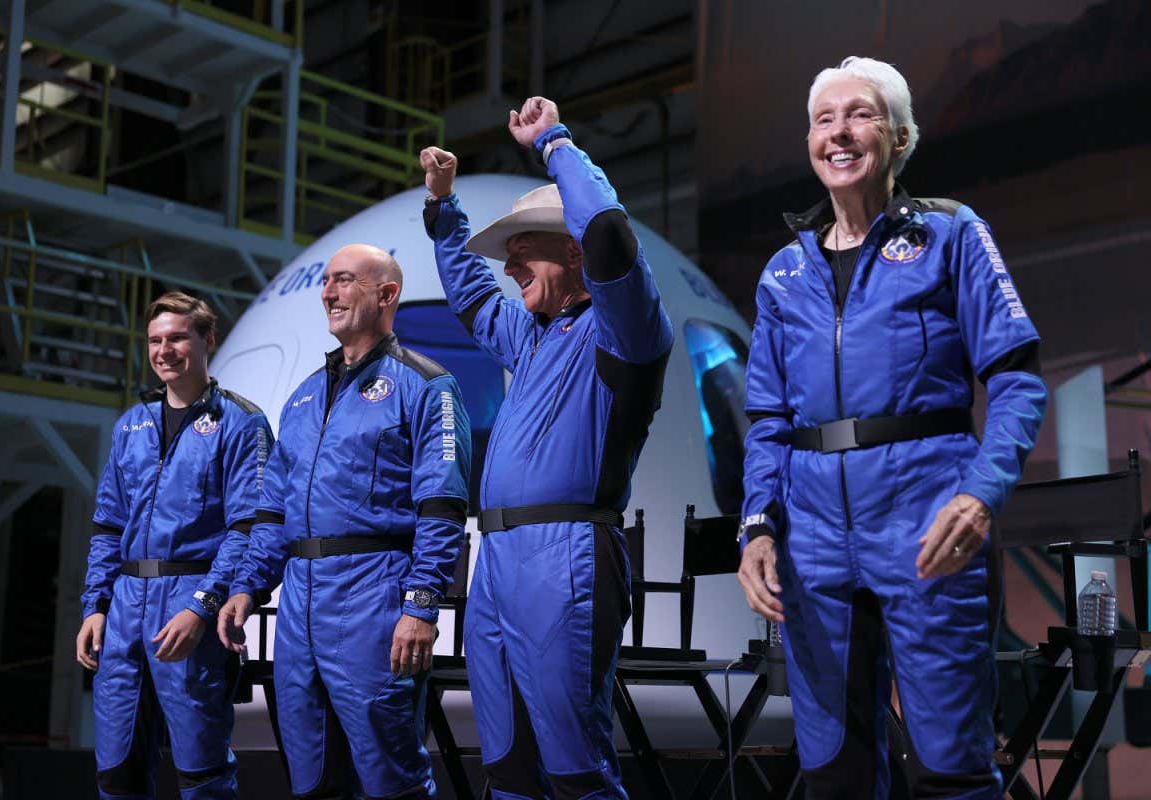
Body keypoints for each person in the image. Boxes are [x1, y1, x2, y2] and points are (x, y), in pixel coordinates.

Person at [735, 57, 1047, 799]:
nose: (839, 132)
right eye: (823, 118)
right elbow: (768, 421)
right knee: (832, 771)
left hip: (927, 524)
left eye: (860, 114)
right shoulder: (784, 273)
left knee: (951, 768)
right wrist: (756, 527)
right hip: (812, 543)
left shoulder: (952, 234)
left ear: (901, 137)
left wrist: (980, 496)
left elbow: (1016, 382)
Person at [419, 96, 673, 799]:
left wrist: (554, 142)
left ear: (571, 249)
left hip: (567, 560)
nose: (506, 268)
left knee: (572, 768)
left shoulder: (625, 328)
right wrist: (443, 212)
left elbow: (613, 238)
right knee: (509, 769)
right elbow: (471, 298)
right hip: (499, 564)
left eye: (519, 251)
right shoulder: (533, 338)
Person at [218, 244, 470, 800]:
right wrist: (247, 586)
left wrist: (421, 606)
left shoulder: (428, 387)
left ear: (387, 294)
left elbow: (442, 507)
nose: (329, 293)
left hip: (374, 597)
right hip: (300, 607)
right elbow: (272, 510)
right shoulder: (303, 396)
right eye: (326, 282)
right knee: (311, 778)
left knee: (390, 776)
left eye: (346, 281)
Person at [76, 292, 274, 800]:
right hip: (123, 614)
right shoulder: (130, 426)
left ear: (207, 340)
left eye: (178, 338)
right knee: (116, 775)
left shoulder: (242, 424)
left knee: (201, 776)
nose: (165, 350)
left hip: (188, 609)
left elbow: (247, 527)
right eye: (155, 341)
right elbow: (106, 526)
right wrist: (95, 606)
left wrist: (202, 608)